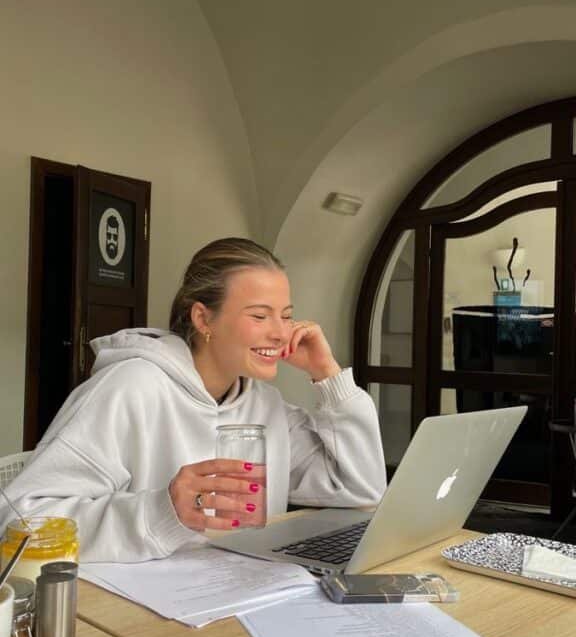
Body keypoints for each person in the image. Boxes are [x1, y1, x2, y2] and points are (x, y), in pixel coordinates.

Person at [1, 238, 386, 562]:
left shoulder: (264, 404)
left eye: (286, 316)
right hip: (131, 618)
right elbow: (18, 521)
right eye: (260, 316)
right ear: (203, 320)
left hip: (238, 598)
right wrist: (163, 511)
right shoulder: (130, 387)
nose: (280, 333)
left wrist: (329, 376)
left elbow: (361, 488)